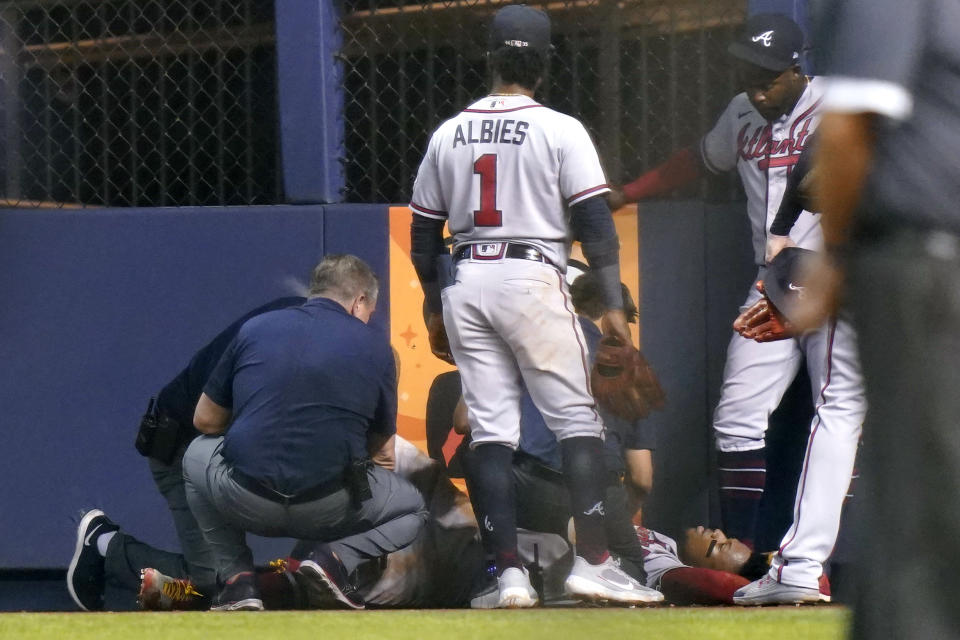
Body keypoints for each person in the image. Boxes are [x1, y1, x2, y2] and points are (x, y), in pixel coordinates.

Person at [409, 4, 661, 607]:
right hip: (534, 274)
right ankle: (596, 561)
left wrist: (434, 304)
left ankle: (507, 576)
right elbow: (596, 225)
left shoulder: (449, 132)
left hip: (467, 278)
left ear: (491, 59)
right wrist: (615, 314)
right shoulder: (560, 128)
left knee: (491, 433)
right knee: (578, 422)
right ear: (544, 63)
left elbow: (423, 236)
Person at [610, 14, 866, 583]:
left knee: (840, 411)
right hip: (771, 283)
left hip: (832, 276)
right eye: (750, 77)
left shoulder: (834, 106)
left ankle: (815, 558)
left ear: (797, 69)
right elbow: (698, 159)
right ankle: (740, 557)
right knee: (736, 419)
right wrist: (628, 191)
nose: (758, 89)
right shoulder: (742, 112)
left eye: (769, 79)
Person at [792, 0, 960, 636]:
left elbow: (845, 130)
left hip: (929, 261)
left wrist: (834, 257)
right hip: (927, 258)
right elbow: (849, 129)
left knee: (923, 493)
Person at [181, 254, 428, 611]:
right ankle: (332, 560)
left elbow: (205, 421)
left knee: (194, 454)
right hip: (329, 507)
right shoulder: (378, 348)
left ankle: (238, 581)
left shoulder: (255, 328)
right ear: (359, 300)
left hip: (245, 496)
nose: (368, 317)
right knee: (414, 510)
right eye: (370, 310)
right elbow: (382, 452)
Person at [66, 296, 305, 611]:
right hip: (181, 446)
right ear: (356, 303)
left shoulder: (303, 324)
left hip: (213, 447)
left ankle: (273, 573)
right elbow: (209, 422)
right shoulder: (282, 334)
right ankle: (104, 544)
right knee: (217, 583)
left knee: (243, 579)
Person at [729, 141, 865, 605]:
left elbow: (816, 155)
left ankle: (801, 567)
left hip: (873, 260)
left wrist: (783, 230)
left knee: (840, 408)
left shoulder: (877, 88)